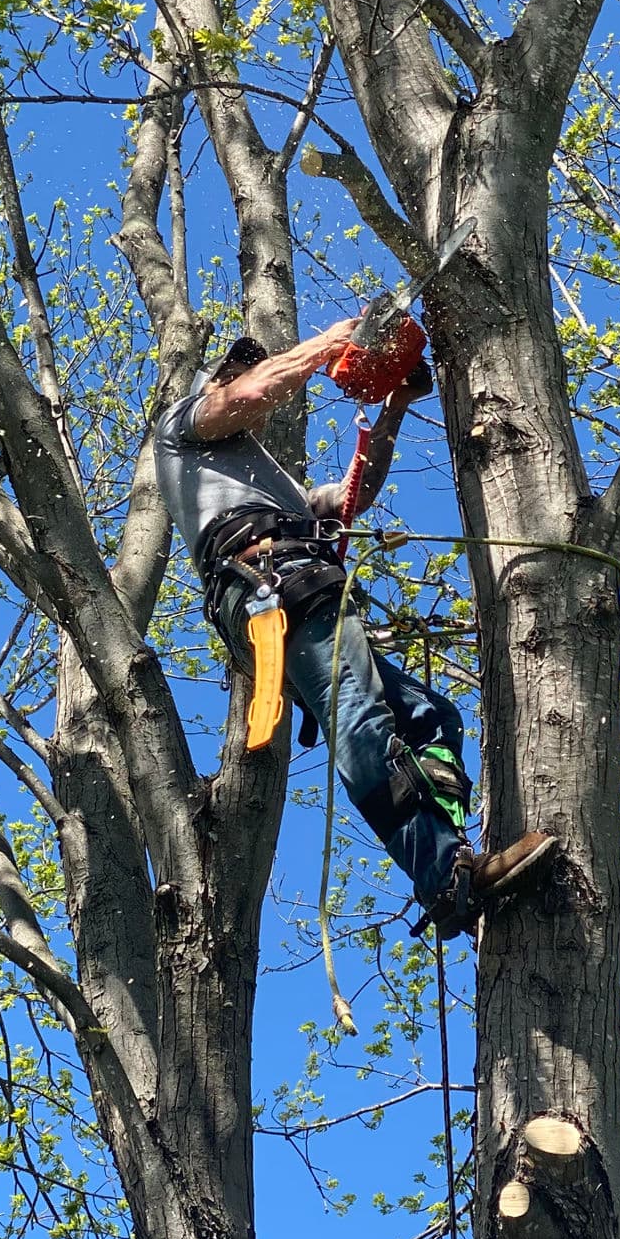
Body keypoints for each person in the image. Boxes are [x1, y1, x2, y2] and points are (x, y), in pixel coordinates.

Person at [154, 324, 556, 935]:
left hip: (298, 585)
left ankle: (452, 855)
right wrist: (329, 344)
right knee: (360, 721)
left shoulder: (271, 480)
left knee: (429, 718)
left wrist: (395, 404)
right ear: (215, 381)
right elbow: (246, 396)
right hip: (273, 588)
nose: (251, 376)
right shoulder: (184, 429)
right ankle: (443, 877)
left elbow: (352, 496)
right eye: (239, 368)